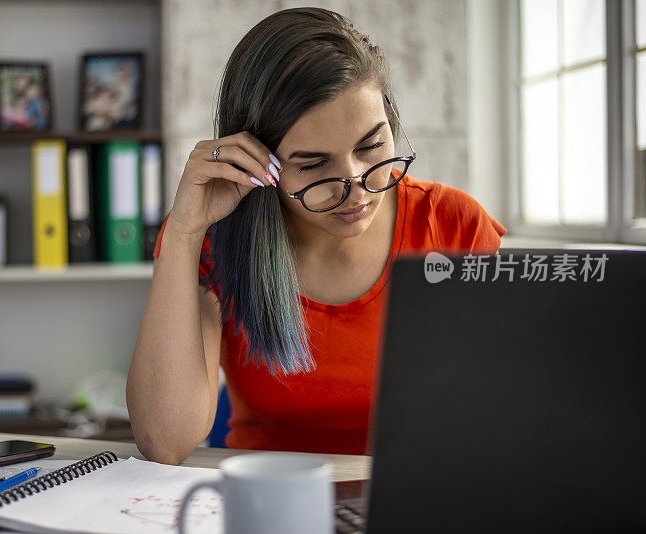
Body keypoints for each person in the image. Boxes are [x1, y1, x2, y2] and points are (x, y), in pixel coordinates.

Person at [126, 7, 506, 465]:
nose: (357, 185)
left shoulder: (452, 224)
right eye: (312, 164)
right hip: (268, 498)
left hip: (419, 498)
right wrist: (183, 232)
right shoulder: (214, 240)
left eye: (372, 146)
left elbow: (499, 413)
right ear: (256, 162)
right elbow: (164, 442)